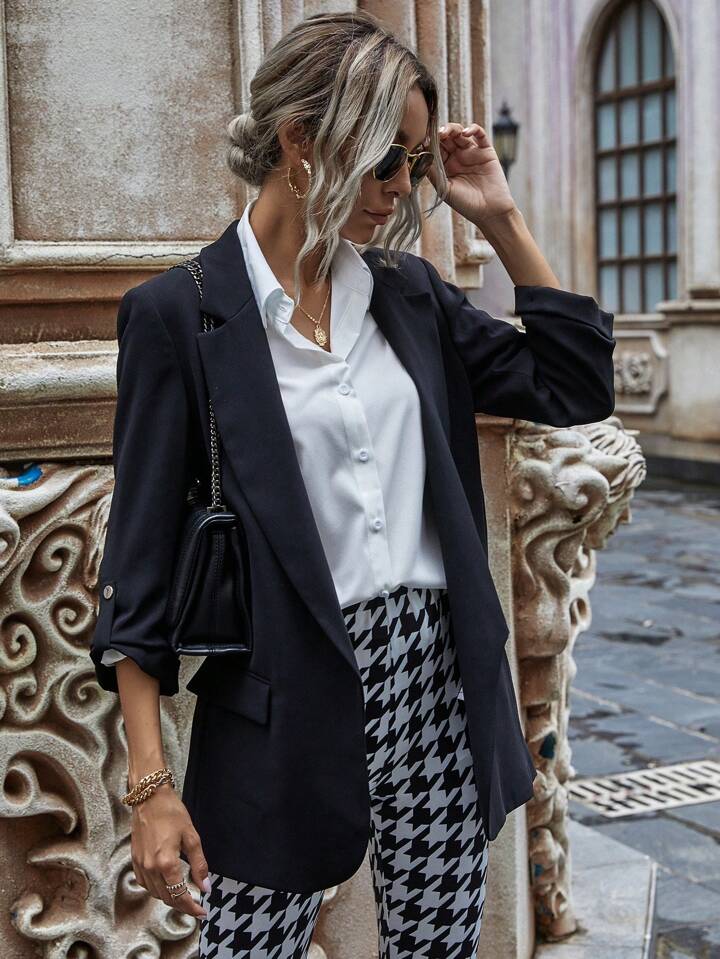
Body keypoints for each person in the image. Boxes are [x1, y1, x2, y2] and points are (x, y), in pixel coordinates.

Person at [89, 10, 616, 959]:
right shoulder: (179, 316)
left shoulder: (407, 296)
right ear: (301, 140)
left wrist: (498, 217)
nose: (402, 188)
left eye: (413, 163)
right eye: (386, 160)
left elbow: (573, 382)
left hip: (440, 678)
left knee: (437, 946)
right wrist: (151, 785)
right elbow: (139, 568)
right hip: (286, 695)